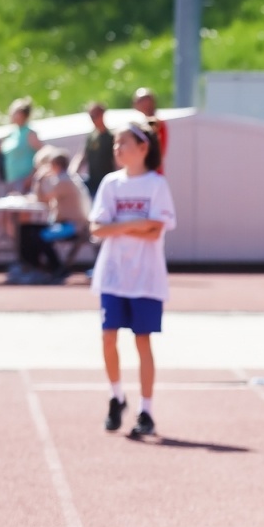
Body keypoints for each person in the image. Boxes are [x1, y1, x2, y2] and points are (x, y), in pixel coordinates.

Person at [89, 119, 175, 438]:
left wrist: (121, 225)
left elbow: (156, 231)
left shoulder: (156, 184)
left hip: (146, 277)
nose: (117, 148)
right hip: (113, 274)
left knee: (142, 340)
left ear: (143, 148)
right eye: (115, 143)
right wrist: (137, 223)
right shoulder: (111, 184)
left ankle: (147, 410)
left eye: (123, 142)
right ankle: (117, 397)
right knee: (108, 336)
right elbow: (97, 228)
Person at [19, 147, 90, 278]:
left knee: (40, 236)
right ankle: (36, 266)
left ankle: (55, 268)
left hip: (73, 226)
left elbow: (43, 199)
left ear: (55, 165)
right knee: (27, 229)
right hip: (66, 223)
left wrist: (38, 179)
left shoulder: (64, 181)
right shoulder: (65, 179)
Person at [0, 97, 42, 192]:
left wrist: (32, 177)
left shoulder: (30, 134)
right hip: (11, 181)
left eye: (14, 112)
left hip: (26, 182)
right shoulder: (13, 133)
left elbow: (44, 155)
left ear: (22, 114)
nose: (11, 114)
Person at [73, 101, 116, 197]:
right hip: (93, 180)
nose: (93, 119)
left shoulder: (111, 137)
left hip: (106, 181)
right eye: (91, 116)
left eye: (94, 116)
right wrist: (73, 172)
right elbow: (83, 155)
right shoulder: (91, 136)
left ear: (102, 115)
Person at [132, 88, 167, 174]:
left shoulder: (154, 122)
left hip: (150, 172)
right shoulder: (143, 121)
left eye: (140, 100)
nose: (136, 103)